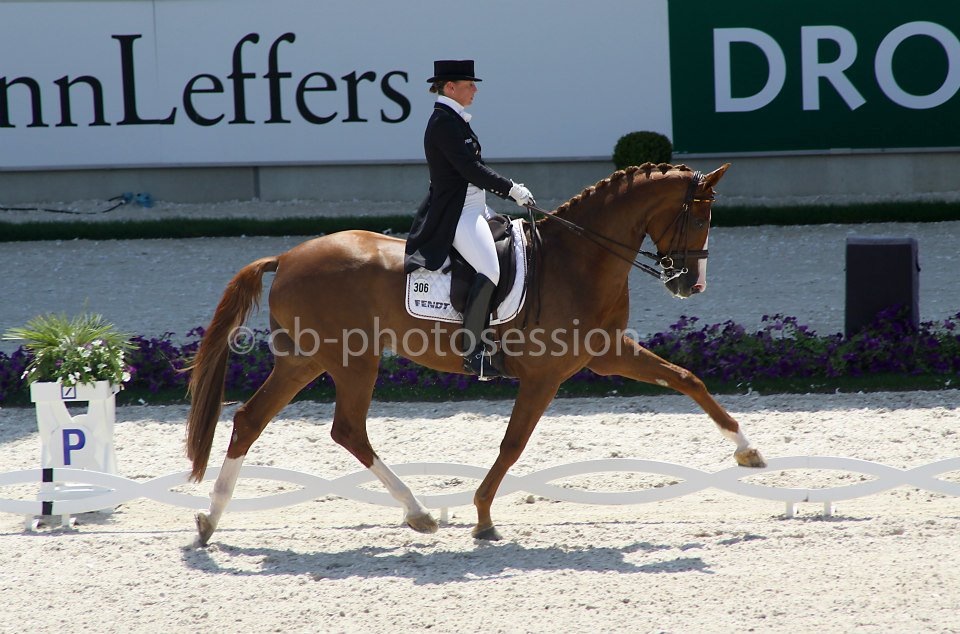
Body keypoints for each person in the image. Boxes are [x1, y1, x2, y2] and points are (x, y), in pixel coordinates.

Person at [404, 59, 535, 379]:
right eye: (469, 84)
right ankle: (473, 352)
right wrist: (511, 189)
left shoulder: (454, 119)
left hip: (476, 207)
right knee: (489, 269)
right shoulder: (443, 123)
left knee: (516, 249)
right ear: (450, 87)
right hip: (458, 213)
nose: (475, 89)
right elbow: (470, 170)